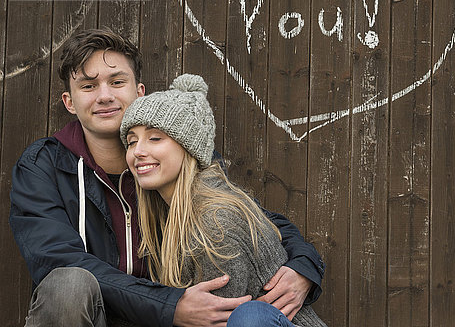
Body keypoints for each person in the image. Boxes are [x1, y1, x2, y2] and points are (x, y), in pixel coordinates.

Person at [9, 28, 325, 326]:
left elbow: (251, 218)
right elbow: (56, 260)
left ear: (139, 92)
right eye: (89, 86)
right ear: (70, 102)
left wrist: (303, 267)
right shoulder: (44, 165)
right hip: (107, 317)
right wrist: (168, 305)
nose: (104, 96)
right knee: (68, 284)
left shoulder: (178, 156)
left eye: (117, 82)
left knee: (251, 316)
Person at [120, 74, 327, 327]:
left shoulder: (215, 222)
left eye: (155, 138)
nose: (138, 151)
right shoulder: (170, 215)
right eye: (131, 141)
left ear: (189, 149)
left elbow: (217, 320)